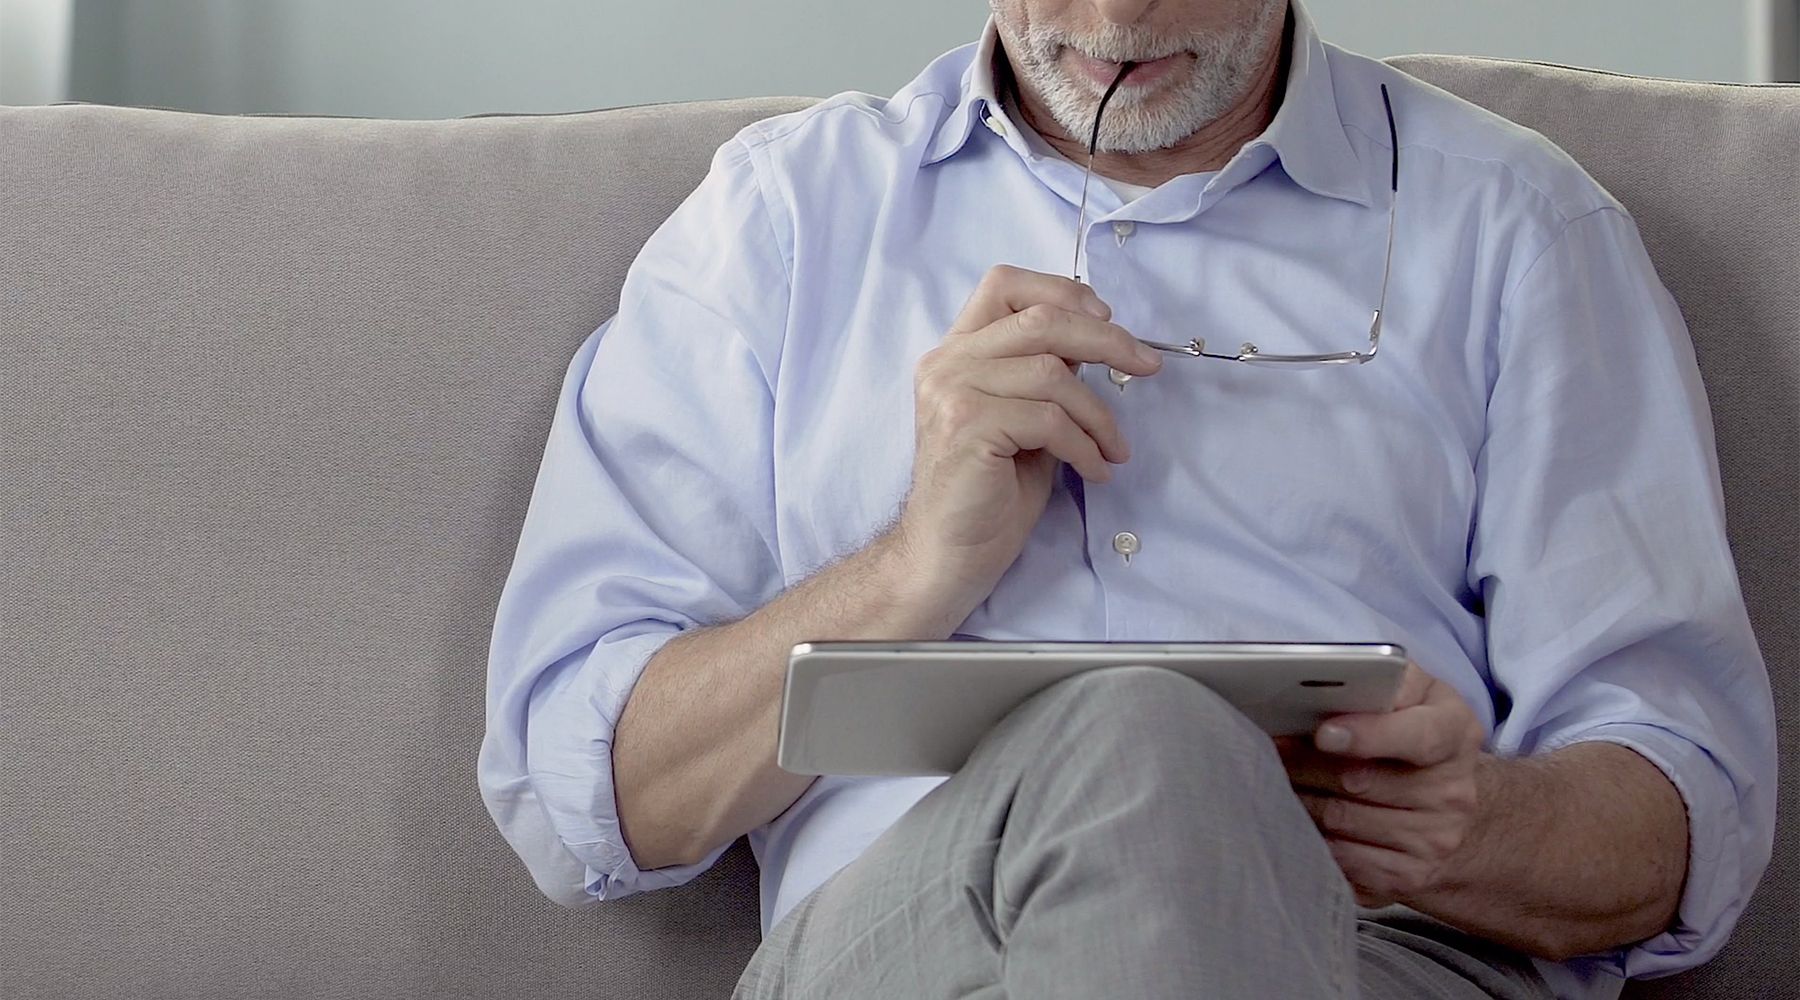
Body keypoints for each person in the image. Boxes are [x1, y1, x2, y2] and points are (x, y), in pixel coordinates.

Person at [477, 0, 1778, 996]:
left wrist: (1470, 827)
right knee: (1144, 741)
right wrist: (909, 571)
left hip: (1371, 960)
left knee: (1158, 746)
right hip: (916, 953)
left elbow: (1689, 810)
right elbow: (581, 790)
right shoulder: (780, 223)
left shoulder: (1519, 231)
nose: (1109, 21)